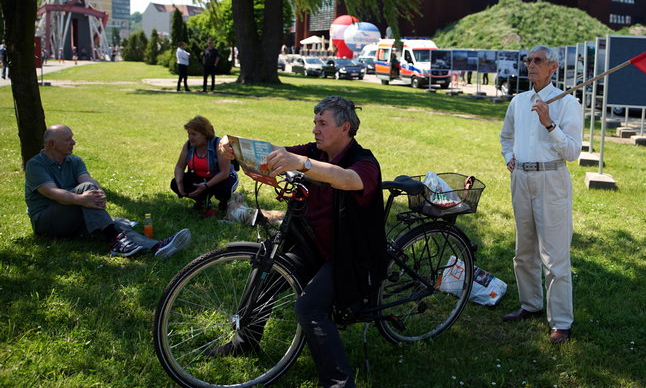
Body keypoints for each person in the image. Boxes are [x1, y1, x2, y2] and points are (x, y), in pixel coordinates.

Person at [217, 96, 385, 388]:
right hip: (311, 247)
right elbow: (270, 154)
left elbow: (347, 180)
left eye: (322, 123)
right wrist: (230, 146)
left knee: (308, 308)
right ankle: (246, 341)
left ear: (345, 127)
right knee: (264, 273)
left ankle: (339, 383)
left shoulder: (364, 162)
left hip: (349, 257)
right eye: (314, 122)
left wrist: (303, 164)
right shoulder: (312, 151)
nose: (315, 130)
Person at [499, 45, 582, 346]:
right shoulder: (519, 102)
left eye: (538, 61)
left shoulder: (567, 103)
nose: (531, 65)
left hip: (551, 178)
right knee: (524, 251)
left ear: (553, 67)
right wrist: (509, 155)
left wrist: (549, 123)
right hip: (521, 178)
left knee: (555, 255)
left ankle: (561, 322)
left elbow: (572, 152)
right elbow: (506, 135)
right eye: (528, 60)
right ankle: (530, 304)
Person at [25, 124, 192, 258]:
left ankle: (157, 247)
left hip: (74, 217)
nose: (73, 142)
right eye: (68, 140)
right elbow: (52, 193)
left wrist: (99, 193)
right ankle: (116, 241)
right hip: (47, 222)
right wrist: (83, 198)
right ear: (52, 144)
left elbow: (87, 180)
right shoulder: (35, 165)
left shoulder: (74, 160)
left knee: (113, 224)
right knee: (88, 191)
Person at [171, 116, 239, 216]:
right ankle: (202, 202)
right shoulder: (189, 145)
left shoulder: (219, 144)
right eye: (189, 134)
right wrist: (179, 182)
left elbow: (224, 173)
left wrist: (206, 186)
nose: (190, 137)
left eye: (194, 134)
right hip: (202, 178)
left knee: (223, 189)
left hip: (222, 178)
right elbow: (179, 167)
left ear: (205, 134)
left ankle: (225, 204)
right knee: (174, 183)